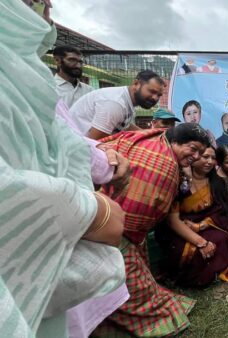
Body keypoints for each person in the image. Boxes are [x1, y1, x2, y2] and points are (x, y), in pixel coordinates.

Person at [1, 1, 125, 337]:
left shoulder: (25, 72)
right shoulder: (14, 77)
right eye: (38, 2)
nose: (48, 13)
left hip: (60, 252)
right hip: (29, 265)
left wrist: (104, 157)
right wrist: (95, 210)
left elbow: (69, 140)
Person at [94, 123, 212, 337]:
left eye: (201, 153)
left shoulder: (150, 142)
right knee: (130, 290)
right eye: (192, 149)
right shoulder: (163, 164)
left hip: (111, 223)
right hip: (109, 231)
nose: (196, 156)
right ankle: (159, 323)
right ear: (175, 141)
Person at [156, 146, 228, 287]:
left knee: (221, 239)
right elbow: (172, 220)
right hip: (182, 227)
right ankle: (189, 278)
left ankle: (210, 274)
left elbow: (222, 211)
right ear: (194, 157)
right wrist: (200, 242)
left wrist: (201, 225)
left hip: (207, 224)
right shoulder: (178, 182)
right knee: (184, 248)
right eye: (205, 157)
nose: (210, 161)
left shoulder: (217, 182)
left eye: (213, 158)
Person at [69, 69, 164, 140]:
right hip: (75, 152)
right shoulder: (115, 103)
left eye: (159, 95)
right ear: (136, 84)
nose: (155, 98)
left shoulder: (127, 101)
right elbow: (96, 142)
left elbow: (125, 126)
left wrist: (151, 136)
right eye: (151, 91)